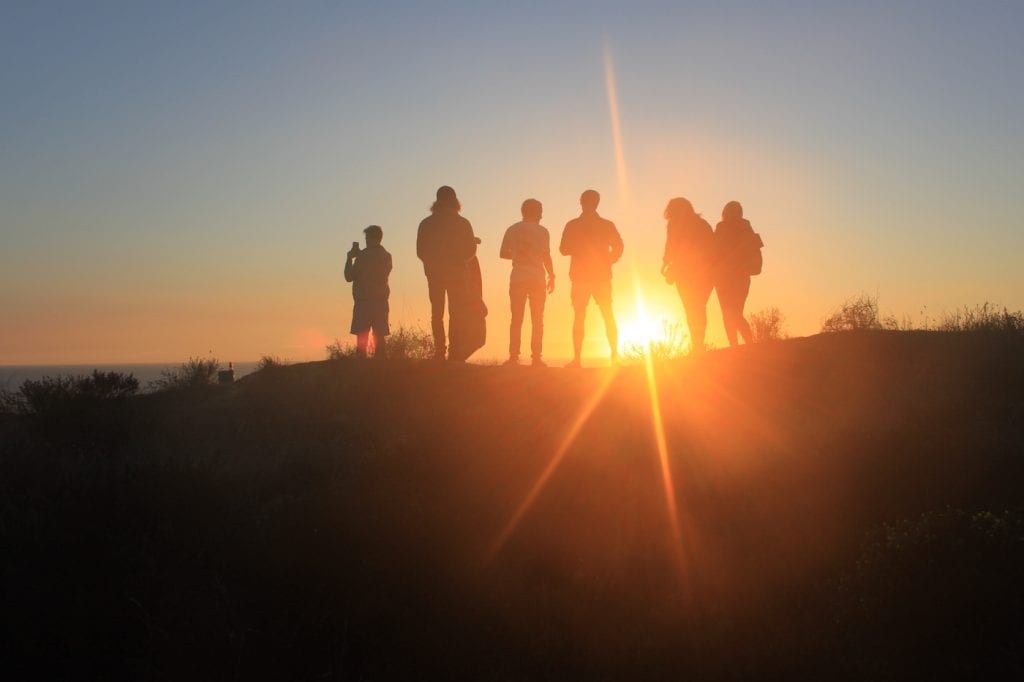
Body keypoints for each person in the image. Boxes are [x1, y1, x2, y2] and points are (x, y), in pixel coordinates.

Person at [559, 189, 623, 367]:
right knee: (607, 314)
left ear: (581, 202)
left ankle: (578, 359)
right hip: (600, 275)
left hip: (581, 276)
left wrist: (579, 249)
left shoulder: (572, 225)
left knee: (580, 315)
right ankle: (615, 358)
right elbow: (619, 245)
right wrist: (610, 259)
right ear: (598, 203)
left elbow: (563, 249)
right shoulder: (606, 225)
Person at [416, 186, 478, 359]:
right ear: (455, 200)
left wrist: (431, 265)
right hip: (457, 274)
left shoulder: (426, 223)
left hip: (435, 274)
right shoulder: (463, 222)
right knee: (455, 312)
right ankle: (454, 351)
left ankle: (439, 351)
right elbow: (471, 249)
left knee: (437, 313)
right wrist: (461, 262)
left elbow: (420, 251)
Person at [500, 198, 555, 366]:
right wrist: (552, 275)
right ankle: (536, 357)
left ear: (523, 211)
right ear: (538, 212)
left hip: (518, 278)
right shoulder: (543, 231)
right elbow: (546, 256)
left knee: (516, 319)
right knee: (537, 319)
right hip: (537, 278)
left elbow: (503, 253)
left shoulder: (512, 229)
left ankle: (513, 356)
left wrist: (517, 255)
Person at [661, 197, 715, 353]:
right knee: (698, 307)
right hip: (704, 272)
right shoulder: (702, 224)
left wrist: (665, 264)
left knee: (691, 308)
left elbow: (670, 247)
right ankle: (698, 343)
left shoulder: (674, 226)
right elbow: (711, 248)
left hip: (684, 272)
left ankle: (697, 345)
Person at [344, 224, 392, 358]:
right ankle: (381, 374)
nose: (366, 241)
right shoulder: (387, 256)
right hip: (381, 302)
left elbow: (348, 276)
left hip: (364, 303)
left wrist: (350, 258)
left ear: (371, 238)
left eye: (367, 238)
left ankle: (362, 373)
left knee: (362, 343)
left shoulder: (363, 257)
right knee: (380, 342)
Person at [714, 201, 757, 346]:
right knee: (732, 313)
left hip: (732, 277)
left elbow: (714, 251)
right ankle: (740, 345)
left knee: (732, 313)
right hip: (731, 277)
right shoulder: (743, 227)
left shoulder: (742, 227)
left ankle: (743, 344)